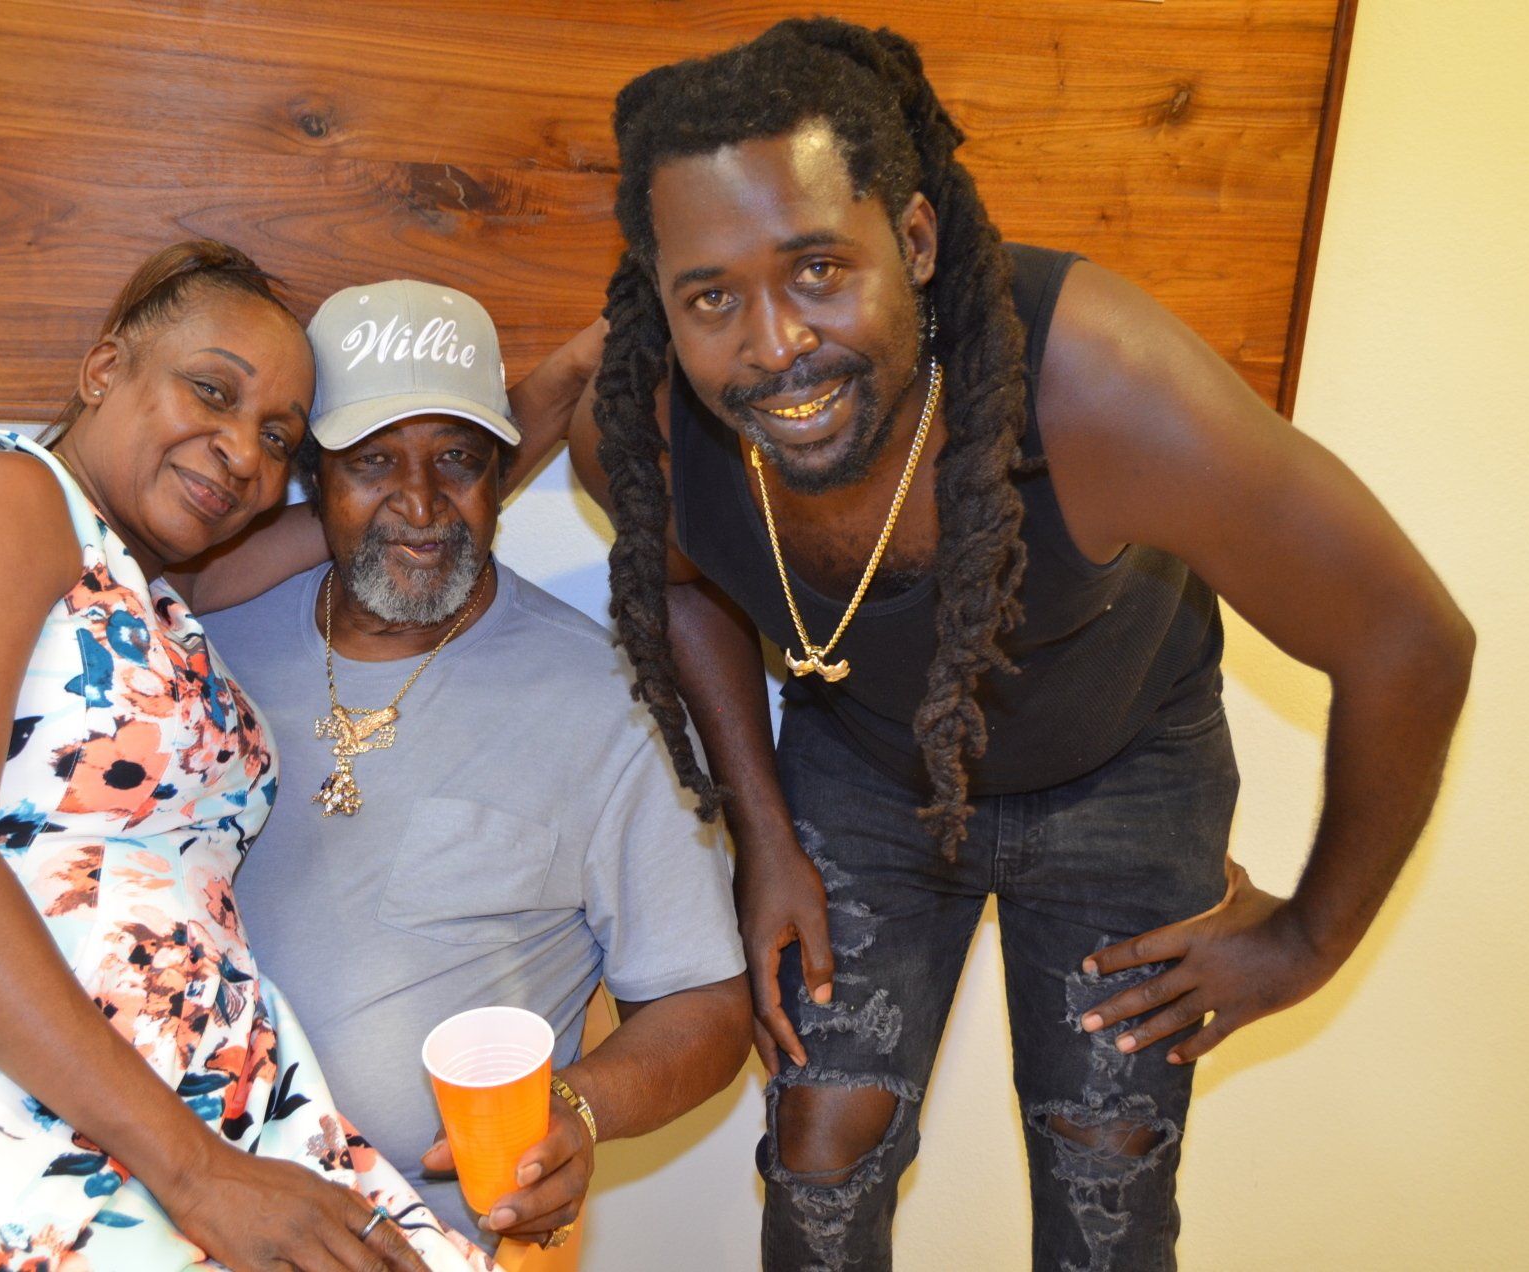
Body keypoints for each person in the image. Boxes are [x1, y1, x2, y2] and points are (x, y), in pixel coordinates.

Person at [567, 19, 1475, 1271]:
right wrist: (765, 834)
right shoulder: (643, 431)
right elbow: (687, 587)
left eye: (818, 268)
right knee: (823, 1148)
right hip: (865, 770)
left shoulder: (1104, 387)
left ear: (916, 240)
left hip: (1124, 763)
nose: (773, 344)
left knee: (1107, 1173)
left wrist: (1307, 942)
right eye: (711, 297)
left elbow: (1411, 641)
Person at [0, 242, 561, 1271]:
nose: (241, 452)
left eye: (277, 437)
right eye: (213, 391)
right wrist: (198, 1175)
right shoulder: (5, 498)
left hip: (141, 1107)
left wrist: (600, 343)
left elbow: (406, 518)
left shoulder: (151, 587)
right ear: (105, 368)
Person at [197, 280, 751, 1258]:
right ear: (313, 478)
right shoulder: (201, 643)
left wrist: (579, 1108)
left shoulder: (613, 707)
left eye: (457, 458)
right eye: (373, 461)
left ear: (501, 469)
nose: (420, 505)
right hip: (163, 1200)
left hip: (403, 1239)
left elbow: (702, 1002)